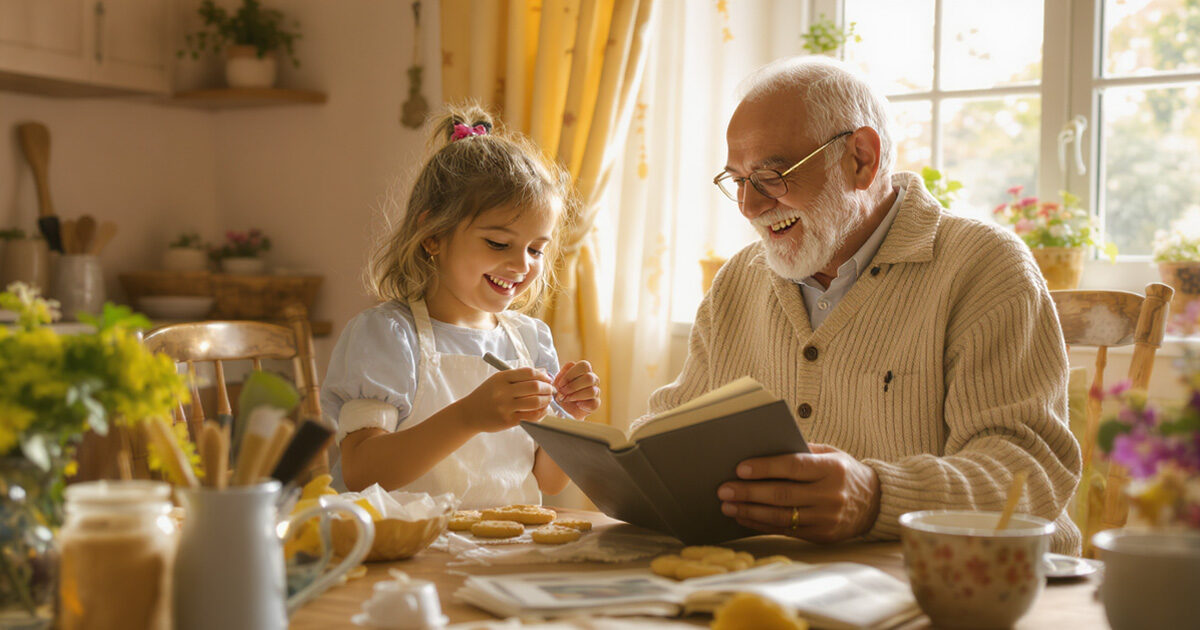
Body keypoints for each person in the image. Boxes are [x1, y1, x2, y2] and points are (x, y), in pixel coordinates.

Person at [650, 57, 1082, 554]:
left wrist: (877, 499)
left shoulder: (984, 266)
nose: (750, 206)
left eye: (771, 175)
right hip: (786, 579)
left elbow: (1028, 473)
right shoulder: (738, 281)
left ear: (861, 159)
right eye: (739, 181)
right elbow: (673, 430)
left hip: (959, 580)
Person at [321, 104, 601, 506]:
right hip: (410, 541)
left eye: (536, 249)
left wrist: (572, 417)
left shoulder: (531, 339)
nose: (522, 264)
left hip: (504, 539)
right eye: (498, 243)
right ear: (433, 235)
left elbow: (549, 481)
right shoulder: (388, 336)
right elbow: (362, 472)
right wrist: (468, 416)